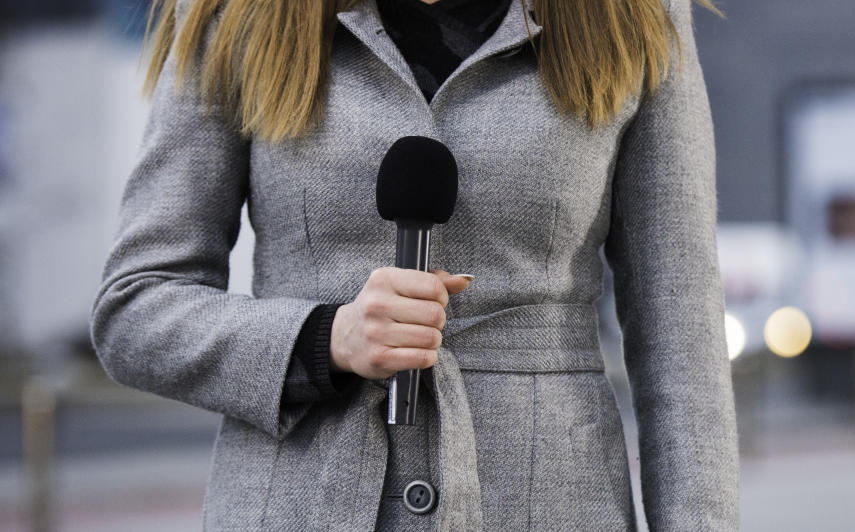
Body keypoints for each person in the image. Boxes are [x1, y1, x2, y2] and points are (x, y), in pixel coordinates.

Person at [89, 0, 738, 529]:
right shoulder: (234, 15)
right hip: (300, 504)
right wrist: (322, 339)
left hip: (552, 503)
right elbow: (138, 306)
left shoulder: (636, 15)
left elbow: (681, 333)